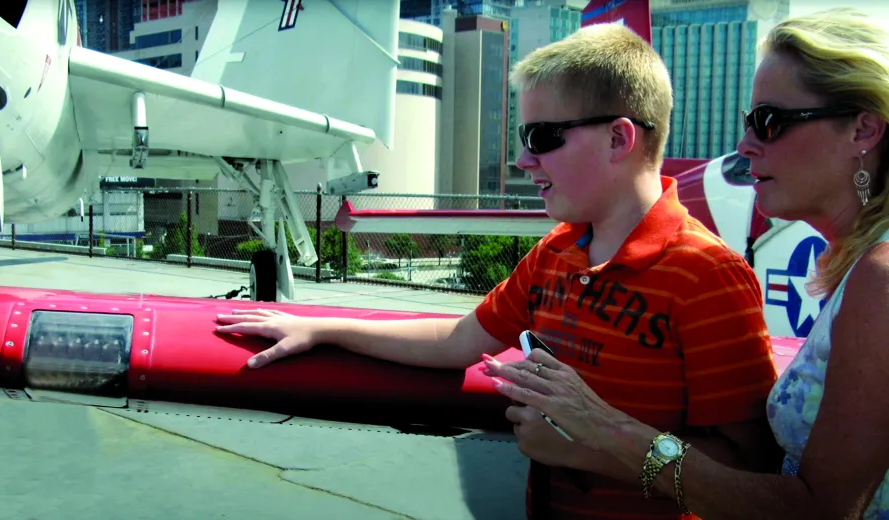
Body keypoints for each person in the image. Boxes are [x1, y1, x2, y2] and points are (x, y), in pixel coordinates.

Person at [215, 23, 781, 519]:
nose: (523, 159)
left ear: (618, 138)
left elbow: (746, 465)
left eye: (542, 137)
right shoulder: (556, 253)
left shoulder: (707, 276)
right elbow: (459, 339)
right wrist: (322, 327)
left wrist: (584, 449)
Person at [482, 7, 889, 520]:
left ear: (863, 130)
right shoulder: (859, 268)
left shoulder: (881, 278)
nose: (744, 145)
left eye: (770, 121)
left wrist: (605, 432)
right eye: (749, 122)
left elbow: (819, 511)